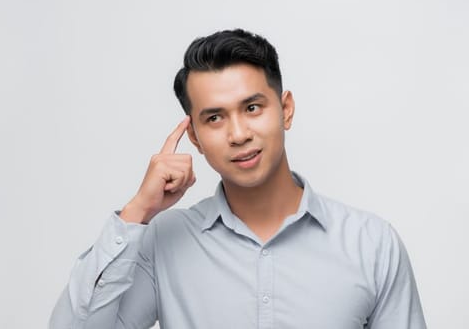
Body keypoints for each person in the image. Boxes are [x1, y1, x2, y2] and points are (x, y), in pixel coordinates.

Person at [49, 29, 427, 329]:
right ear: (194, 137)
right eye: (214, 118)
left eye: (252, 108)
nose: (238, 134)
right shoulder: (163, 242)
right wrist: (137, 213)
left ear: (286, 109)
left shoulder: (372, 244)